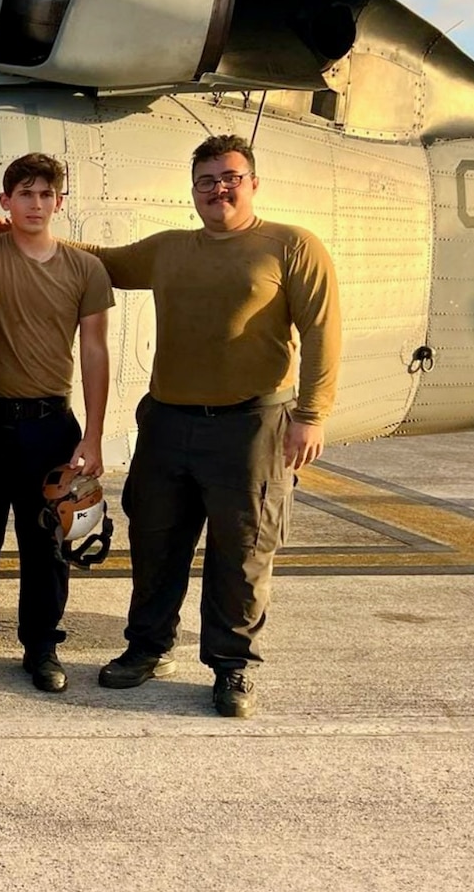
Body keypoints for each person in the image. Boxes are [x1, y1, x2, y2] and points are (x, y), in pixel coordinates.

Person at [88, 134, 339, 718]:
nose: (218, 189)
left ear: (252, 183)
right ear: (193, 189)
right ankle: (147, 647)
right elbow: (100, 259)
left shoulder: (291, 246)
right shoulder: (170, 248)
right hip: (169, 421)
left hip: (252, 425)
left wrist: (312, 415)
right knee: (155, 541)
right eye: (207, 180)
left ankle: (233, 667)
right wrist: (17, 233)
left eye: (230, 177)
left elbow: (325, 332)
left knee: (244, 550)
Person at [0, 154, 112, 694]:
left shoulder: (85, 270)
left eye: (46, 194)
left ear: (60, 203)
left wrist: (92, 436)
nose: (35, 203)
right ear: (4, 201)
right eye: (24, 193)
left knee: (48, 542)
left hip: (52, 424)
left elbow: (94, 352)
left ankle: (42, 644)